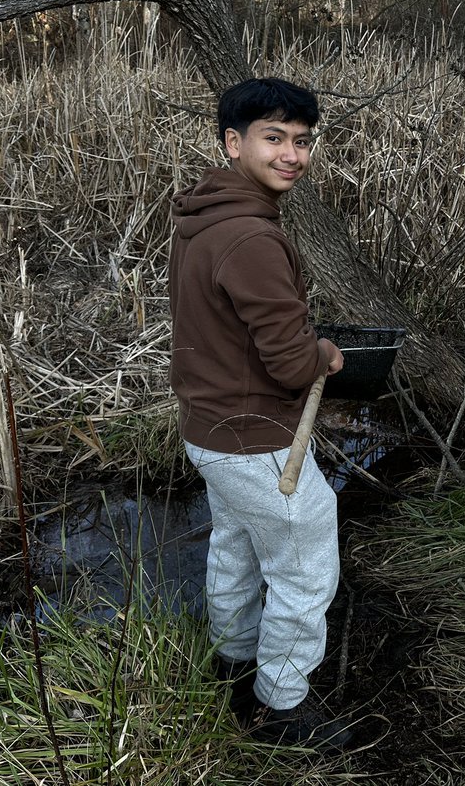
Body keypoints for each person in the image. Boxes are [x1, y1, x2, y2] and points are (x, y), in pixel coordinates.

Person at [169, 77, 351, 748]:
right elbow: (286, 359)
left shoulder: (204, 218)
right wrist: (323, 353)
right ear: (233, 142)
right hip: (254, 438)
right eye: (273, 138)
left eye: (302, 142)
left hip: (208, 427)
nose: (292, 155)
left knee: (237, 547)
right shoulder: (251, 237)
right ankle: (281, 707)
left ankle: (233, 659)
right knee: (304, 562)